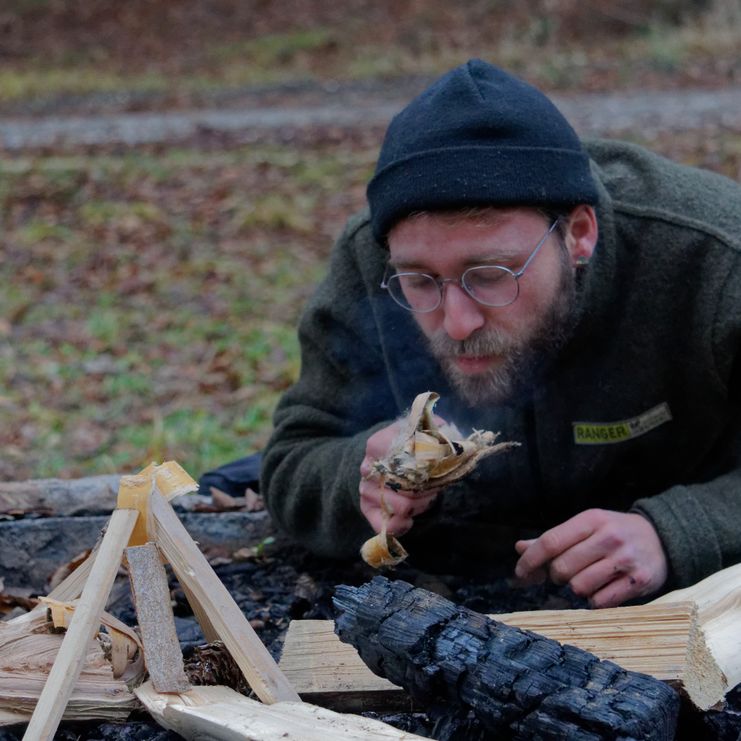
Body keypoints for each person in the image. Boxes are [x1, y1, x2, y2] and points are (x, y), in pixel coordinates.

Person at [260, 58, 741, 608]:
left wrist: (682, 530)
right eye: (420, 282)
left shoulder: (715, 258)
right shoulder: (370, 261)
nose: (457, 322)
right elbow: (293, 457)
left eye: (490, 276)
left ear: (579, 235)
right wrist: (358, 476)